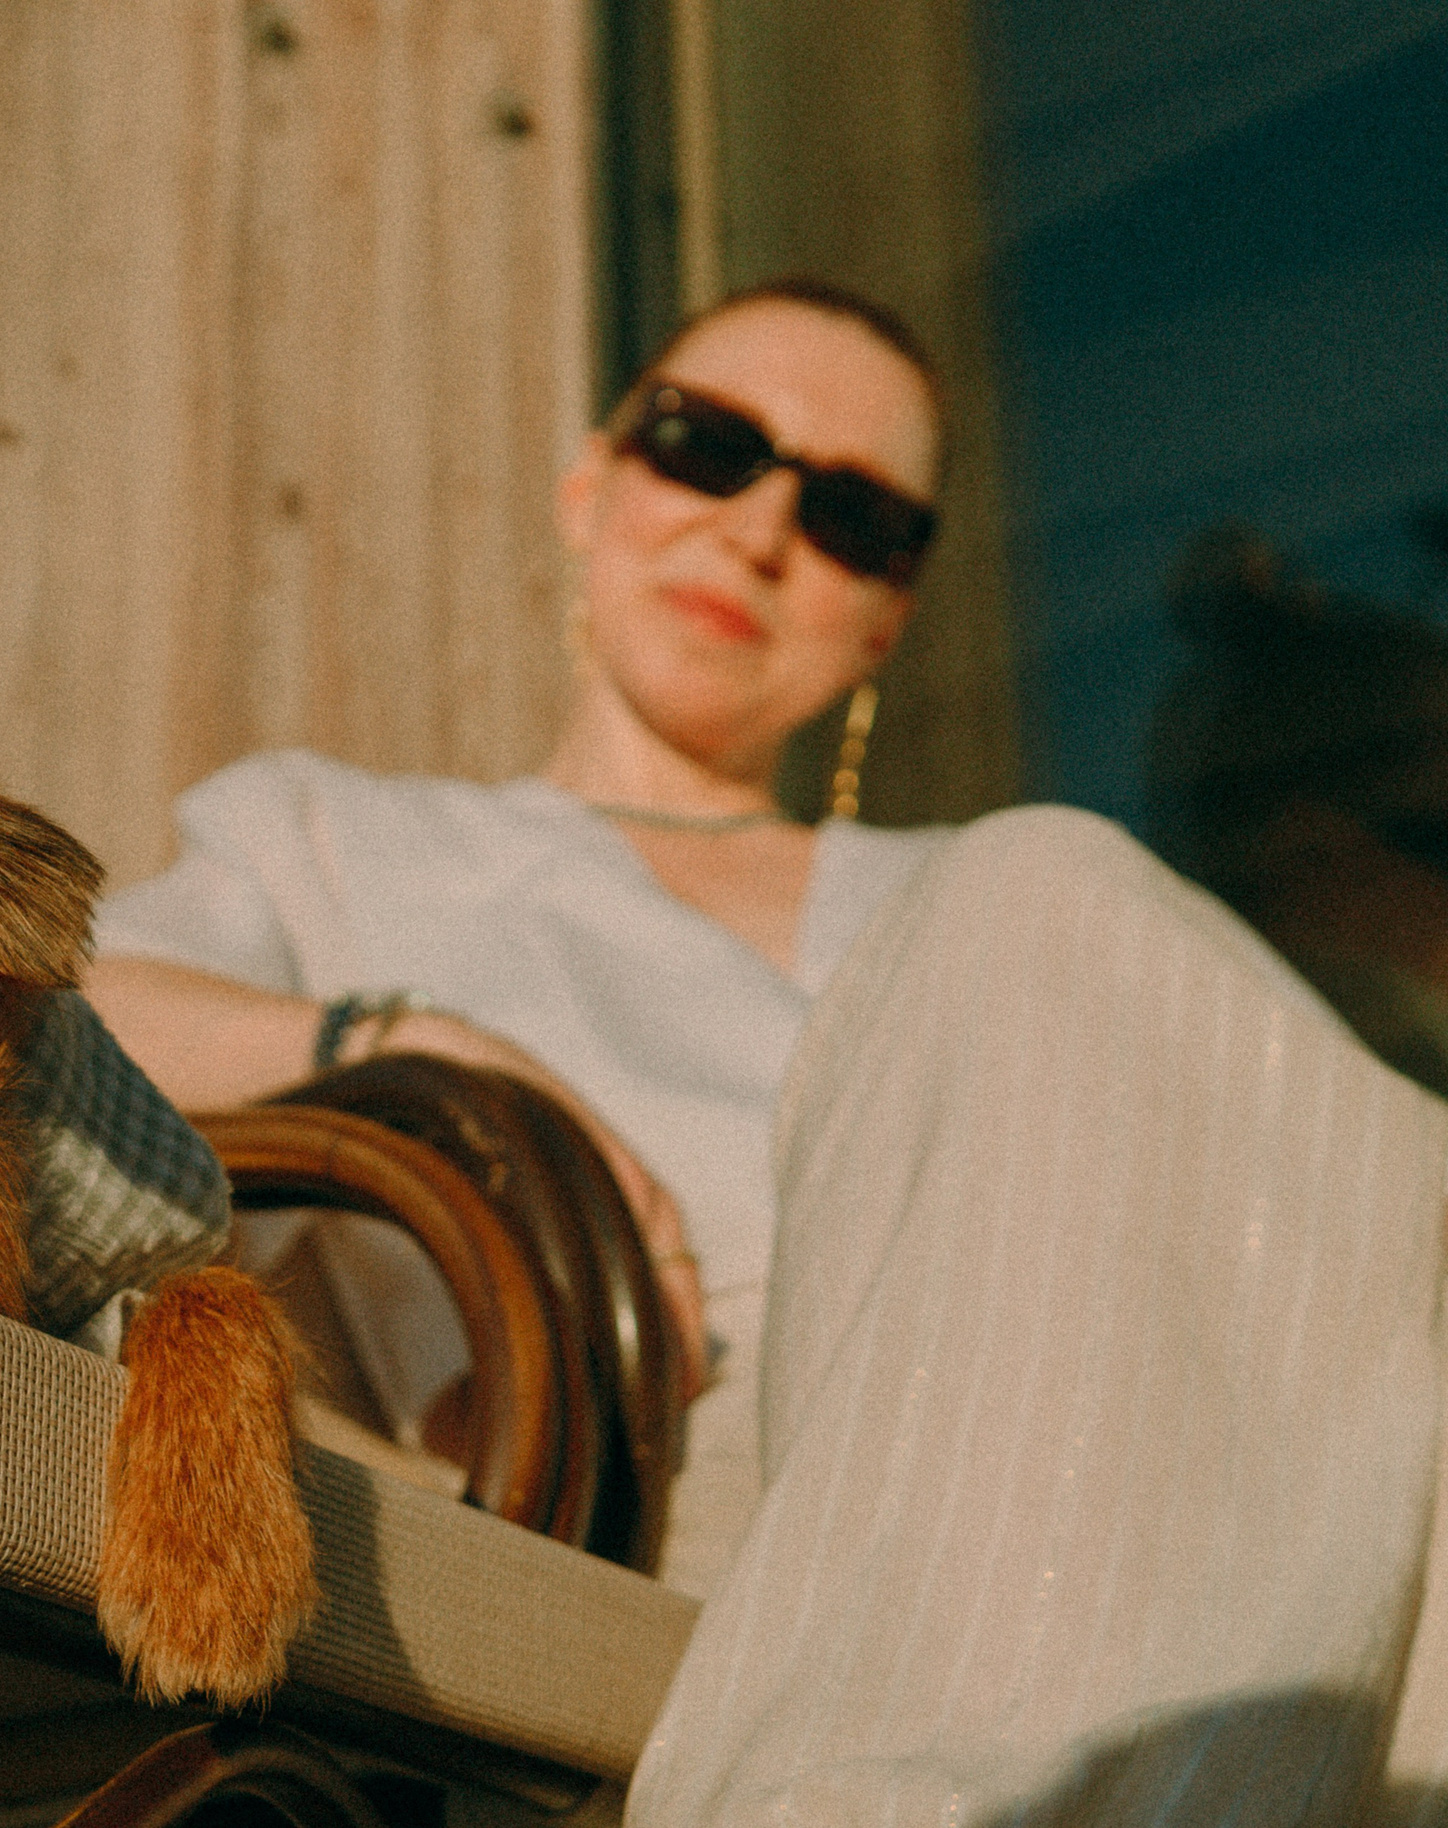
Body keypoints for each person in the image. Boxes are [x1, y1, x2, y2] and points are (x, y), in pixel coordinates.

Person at [86, 280, 1448, 1822]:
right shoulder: (345, 842)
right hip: (692, 1453)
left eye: (857, 516)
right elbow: (63, 1028)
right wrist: (403, 1042)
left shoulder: (976, 893)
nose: (764, 527)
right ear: (592, 489)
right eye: (710, 446)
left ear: (884, 621)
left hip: (1176, 1443)